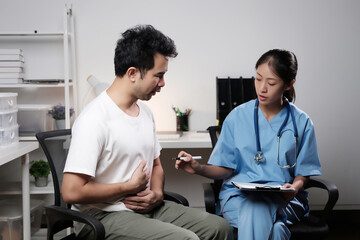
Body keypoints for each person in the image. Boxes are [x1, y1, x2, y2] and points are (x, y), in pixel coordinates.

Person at [62, 25, 233, 240]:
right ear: (133, 73)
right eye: (158, 75)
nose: (162, 83)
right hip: (102, 216)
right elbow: (71, 191)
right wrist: (128, 187)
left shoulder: (145, 112)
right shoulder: (93, 119)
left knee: (219, 228)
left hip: (146, 209)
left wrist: (157, 193)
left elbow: (156, 165)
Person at [175, 49, 321, 240]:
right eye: (258, 79)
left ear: (288, 84)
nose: (262, 88)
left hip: (285, 200)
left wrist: (295, 186)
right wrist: (199, 168)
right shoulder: (237, 117)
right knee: (273, 227)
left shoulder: (302, 122)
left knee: (259, 211)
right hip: (239, 198)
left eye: (271, 83)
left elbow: (304, 172)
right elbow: (225, 168)